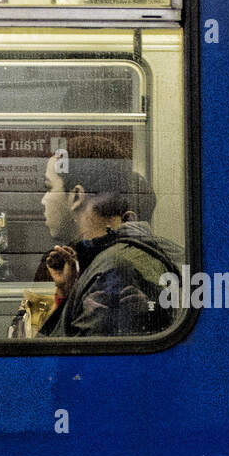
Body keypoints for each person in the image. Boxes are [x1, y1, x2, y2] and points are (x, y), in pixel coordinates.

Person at [36, 138, 180, 338]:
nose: (43, 200)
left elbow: (73, 355)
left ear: (76, 196)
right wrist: (67, 293)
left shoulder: (112, 274)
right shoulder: (109, 258)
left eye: (49, 187)